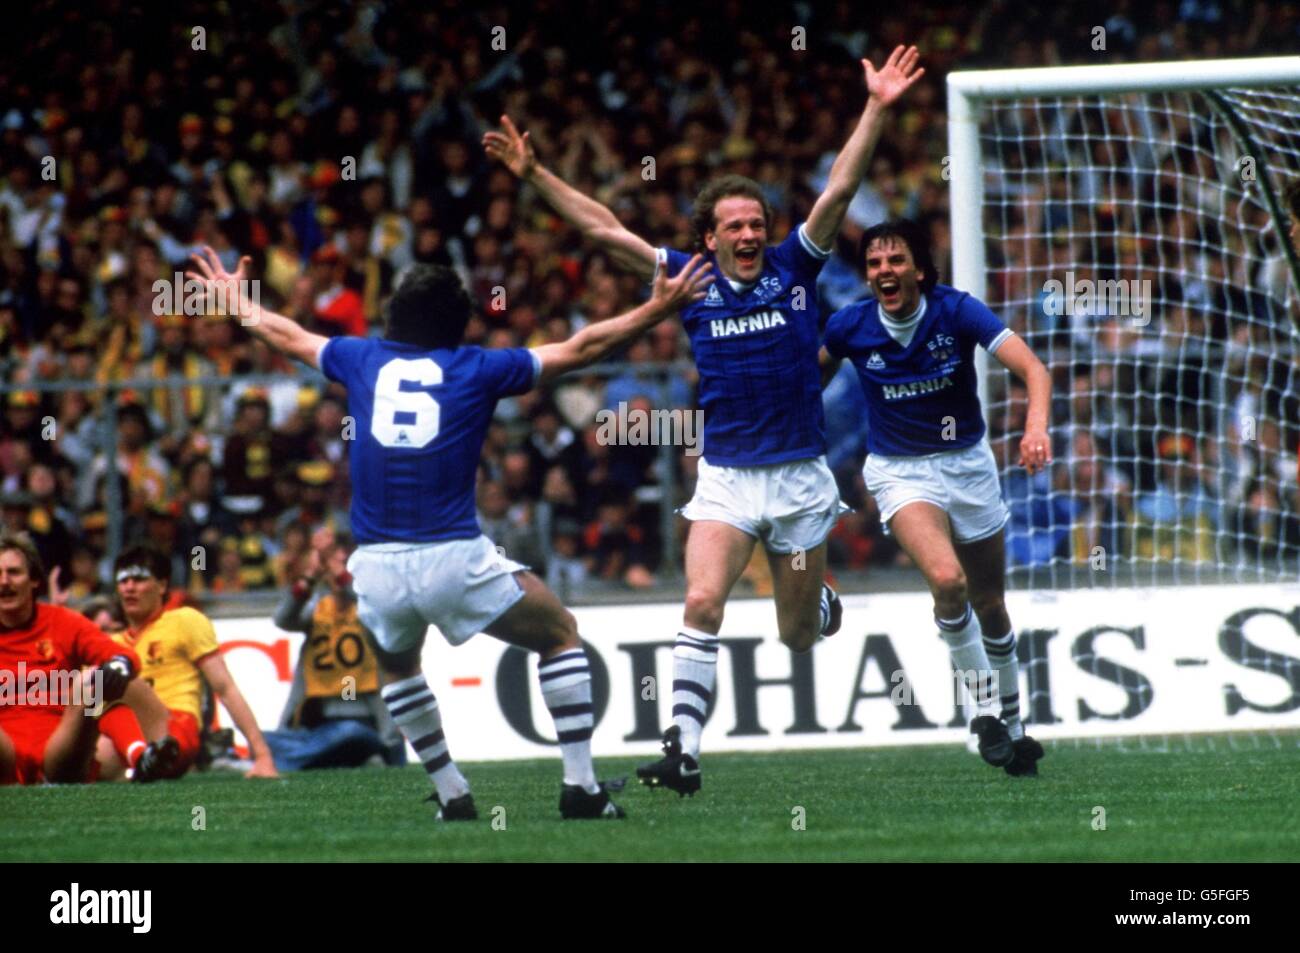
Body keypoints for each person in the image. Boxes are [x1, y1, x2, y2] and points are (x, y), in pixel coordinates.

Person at [485, 45, 925, 797]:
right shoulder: (686, 283)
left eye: (757, 223)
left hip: (797, 478)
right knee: (700, 602)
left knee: (795, 637)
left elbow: (842, 186)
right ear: (710, 239)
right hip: (724, 474)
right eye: (736, 227)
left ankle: (817, 601)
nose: (751, 235)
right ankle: (682, 751)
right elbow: (603, 229)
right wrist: (534, 176)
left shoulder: (796, 266)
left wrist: (878, 107)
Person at [186, 244, 712, 819]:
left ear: (396, 317)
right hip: (452, 557)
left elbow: (285, 335)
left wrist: (236, 301)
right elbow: (581, 348)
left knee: (396, 668)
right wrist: (656, 309)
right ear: (455, 324)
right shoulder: (477, 367)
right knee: (559, 631)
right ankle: (581, 787)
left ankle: (452, 791)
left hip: (377, 566)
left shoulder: (359, 359)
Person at [819, 220, 1053, 776]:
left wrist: (1034, 427)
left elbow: (1032, 369)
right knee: (949, 582)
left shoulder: (957, 311)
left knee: (991, 603)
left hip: (970, 465)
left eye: (895, 261)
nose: (884, 272)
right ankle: (983, 713)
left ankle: (1014, 728)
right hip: (902, 474)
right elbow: (801, 381)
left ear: (919, 269)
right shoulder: (849, 325)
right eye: (874, 264)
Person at [95, 543, 280, 780]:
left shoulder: (184, 621)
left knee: (118, 678)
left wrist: (263, 755)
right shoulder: (111, 641)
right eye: (123, 580)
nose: (130, 588)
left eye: (139, 579)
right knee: (88, 691)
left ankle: (141, 759)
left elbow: (225, 688)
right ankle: (134, 761)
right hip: (122, 732)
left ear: (162, 585)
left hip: (172, 725)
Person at [0, 533, 169, 785]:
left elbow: (122, 656)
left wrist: (119, 665)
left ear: (34, 580)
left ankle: (144, 756)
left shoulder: (62, 622)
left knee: (93, 679)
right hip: (4, 755)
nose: (4, 582)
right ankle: (138, 755)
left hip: (60, 752)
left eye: (14, 572)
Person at [269, 526, 405, 769]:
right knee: (263, 739)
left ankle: (298, 759)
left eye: (344, 566)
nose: (337, 574)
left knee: (348, 733)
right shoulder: (317, 610)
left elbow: (370, 603)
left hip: (363, 723)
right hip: (319, 725)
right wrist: (309, 575)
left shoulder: (372, 609)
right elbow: (283, 619)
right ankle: (333, 758)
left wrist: (342, 575)